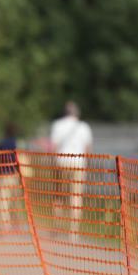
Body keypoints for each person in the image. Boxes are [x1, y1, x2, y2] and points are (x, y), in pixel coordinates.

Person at [50, 100, 93, 234]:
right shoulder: (84, 127)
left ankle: (56, 227)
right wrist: (87, 164)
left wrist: (52, 163)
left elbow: (53, 147)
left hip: (61, 162)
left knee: (58, 195)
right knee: (76, 196)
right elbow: (87, 149)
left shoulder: (57, 125)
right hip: (78, 163)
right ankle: (73, 231)